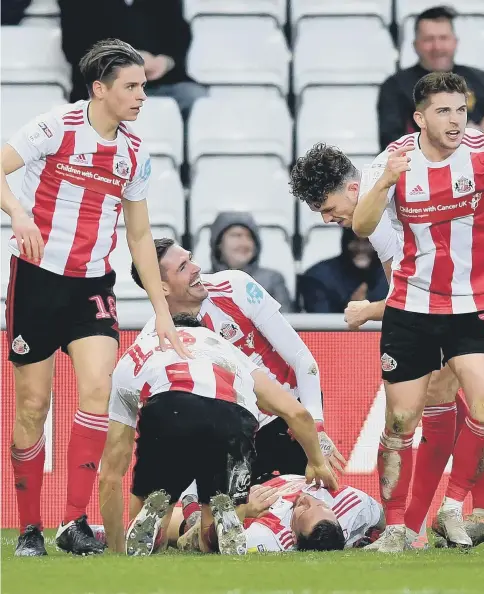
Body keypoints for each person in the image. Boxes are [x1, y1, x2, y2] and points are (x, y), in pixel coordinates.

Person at [293, 71, 484, 551]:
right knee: (439, 402)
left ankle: (416, 525)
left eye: (328, 207)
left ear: (351, 189)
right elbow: (412, 285)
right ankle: (483, 509)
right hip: (456, 288)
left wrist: (368, 311)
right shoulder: (384, 187)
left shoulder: (388, 195)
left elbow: (413, 283)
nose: (329, 219)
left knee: (442, 396)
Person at [1, 39, 188, 557]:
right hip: (37, 280)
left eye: (144, 87)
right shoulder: (54, 127)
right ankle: (30, 528)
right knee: (34, 407)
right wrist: (17, 214)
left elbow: (139, 237)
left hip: (92, 286)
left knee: (97, 392)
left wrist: (159, 308)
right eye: (131, 87)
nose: (141, 96)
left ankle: (73, 521)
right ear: (100, 89)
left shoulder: (135, 154)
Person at [99, 313, 338, 555]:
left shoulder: (137, 352)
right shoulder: (226, 349)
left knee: (149, 521)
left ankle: (155, 522)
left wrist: (115, 544)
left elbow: (111, 471)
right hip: (232, 418)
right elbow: (297, 414)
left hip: (168, 409)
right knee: (209, 540)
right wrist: (317, 461)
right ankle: (221, 520)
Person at [132, 238, 345, 485]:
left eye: (190, 258)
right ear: (162, 288)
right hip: (235, 436)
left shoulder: (235, 286)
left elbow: (301, 359)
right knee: (245, 517)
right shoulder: (156, 343)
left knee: (314, 510)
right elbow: (180, 430)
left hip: (290, 420)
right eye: (182, 267)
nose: (196, 267)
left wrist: (314, 425)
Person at [377, 5, 484, 150]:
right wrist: (464, 136)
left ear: (455, 42)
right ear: (415, 45)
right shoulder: (395, 86)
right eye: (429, 39)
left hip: (478, 169)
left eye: (444, 38)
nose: (437, 47)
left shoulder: (479, 79)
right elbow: (391, 144)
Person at [59, 0, 207, 116]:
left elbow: (179, 35)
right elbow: (74, 46)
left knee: (196, 99)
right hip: (103, 86)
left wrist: (165, 62)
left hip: (160, 83)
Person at [175, 474, 385, 553]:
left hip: (238, 501)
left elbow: (212, 542)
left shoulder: (271, 537)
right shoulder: (352, 505)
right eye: (321, 506)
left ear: (294, 536)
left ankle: (190, 500)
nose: (307, 499)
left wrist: (244, 510)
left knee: (190, 537)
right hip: (272, 473)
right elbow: (384, 519)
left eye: (303, 510)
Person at [209, 212, 292, 312]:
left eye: (249, 237)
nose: (244, 243)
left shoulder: (272, 280)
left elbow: (285, 321)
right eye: (236, 235)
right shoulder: (202, 282)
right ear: (218, 243)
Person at [300, 228, 389, 313]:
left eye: (368, 242)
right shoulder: (318, 277)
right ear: (345, 242)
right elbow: (318, 324)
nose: (361, 248)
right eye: (355, 241)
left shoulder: (392, 276)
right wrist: (350, 312)